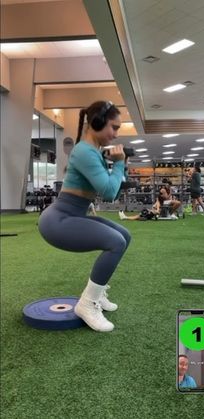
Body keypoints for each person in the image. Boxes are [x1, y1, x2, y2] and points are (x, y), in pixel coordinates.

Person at [38, 101, 131, 332]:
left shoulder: (93, 152)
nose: (116, 133)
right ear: (97, 122)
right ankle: (87, 304)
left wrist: (118, 168)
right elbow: (109, 193)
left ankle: (96, 294)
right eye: (114, 127)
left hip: (73, 215)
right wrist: (119, 164)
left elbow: (112, 187)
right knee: (115, 242)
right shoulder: (84, 151)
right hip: (58, 222)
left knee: (124, 235)